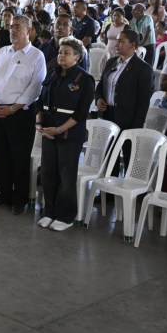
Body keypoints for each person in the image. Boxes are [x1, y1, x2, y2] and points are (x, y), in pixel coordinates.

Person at [0, 15, 46, 215]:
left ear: (29, 31)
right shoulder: (3, 51)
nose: (13, 31)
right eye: (11, 27)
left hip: (19, 113)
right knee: (0, 155)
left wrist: (13, 108)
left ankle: (20, 199)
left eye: (17, 27)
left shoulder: (36, 56)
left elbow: (35, 86)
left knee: (19, 157)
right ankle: (4, 194)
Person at [35, 37, 95, 232]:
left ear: (77, 57)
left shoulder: (84, 79)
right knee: (47, 174)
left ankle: (66, 215)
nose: (62, 55)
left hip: (69, 135)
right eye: (60, 52)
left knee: (66, 176)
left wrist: (59, 129)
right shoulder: (52, 74)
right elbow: (40, 102)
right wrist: (39, 124)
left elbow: (80, 113)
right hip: (48, 132)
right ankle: (49, 212)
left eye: (67, 53)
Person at [95, 29, 152, 153]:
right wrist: (99, 98)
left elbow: (143, 101)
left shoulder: (142, 68)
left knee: (127, 155)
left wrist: (136, 126)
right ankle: (109, 173)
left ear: (132, 45)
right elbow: (101, 86)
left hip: (128, 119)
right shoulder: (111, 62)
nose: (116, 45)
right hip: (108, 114)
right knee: (108, 154)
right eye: (117, 41)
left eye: (121, 42)